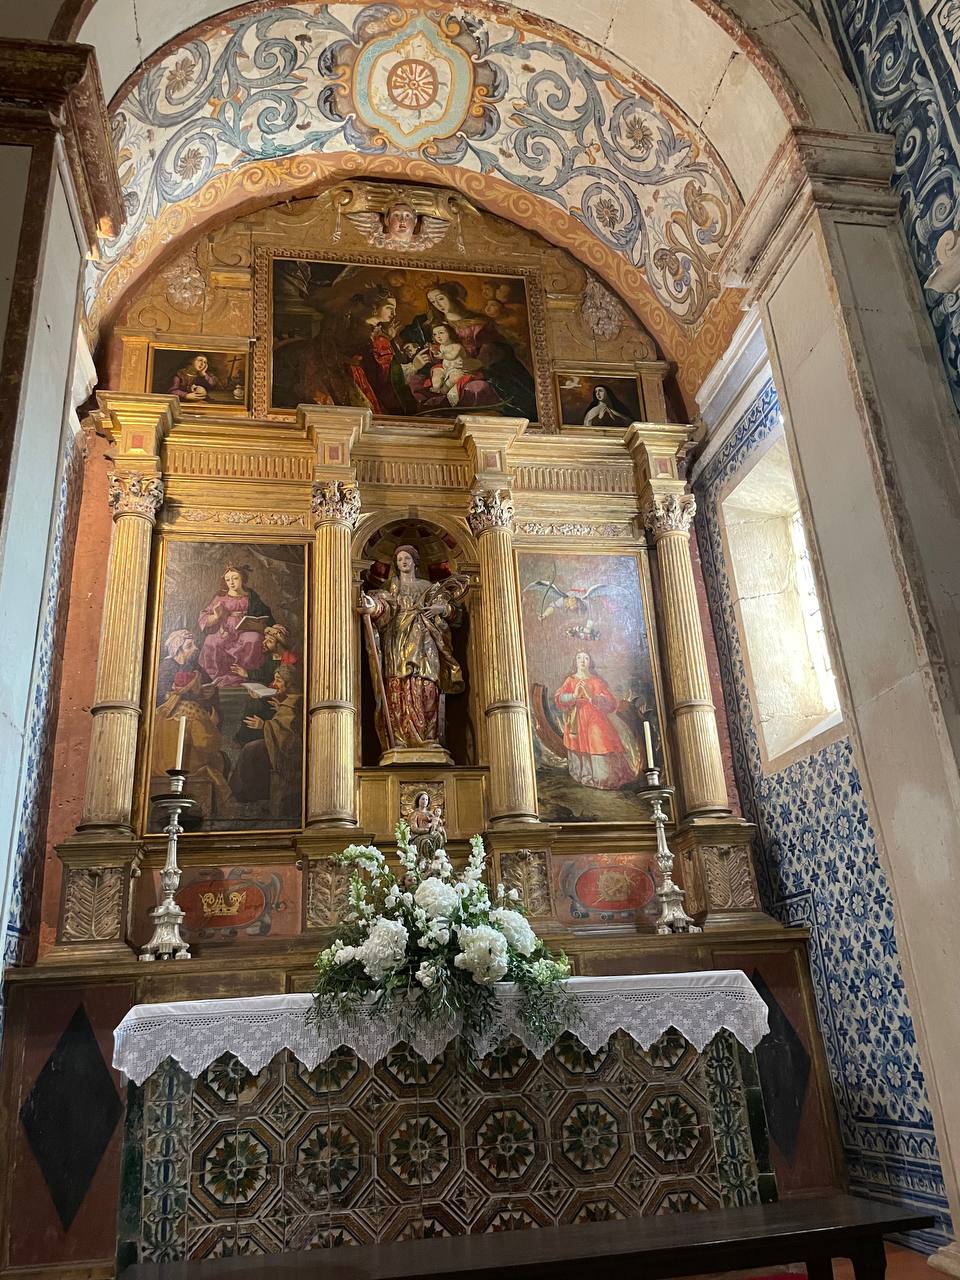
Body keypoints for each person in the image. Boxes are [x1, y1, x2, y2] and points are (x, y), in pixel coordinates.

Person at [358, 544, 465, 751]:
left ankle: (428, 737)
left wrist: (441, 609)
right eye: (399, 559)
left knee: (427, 684)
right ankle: (400, 738)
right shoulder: (392, 586)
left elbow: (454, 612)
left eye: (407, 558)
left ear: (415, 562)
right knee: (398, 684)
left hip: (426, 640)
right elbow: (384, 607)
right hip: (398, 639)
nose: (403, 562)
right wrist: (372, 606)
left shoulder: (427, 586)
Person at [554, 651, 642, 789]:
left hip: (595, 719)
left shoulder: (596, 681)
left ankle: (604, 779)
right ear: (575, 662)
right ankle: (586, 777)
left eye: (586, 658)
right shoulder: (570, 680)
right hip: (576, 721)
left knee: (601, 753)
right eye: (579, 657)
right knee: (579, 749)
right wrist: (574, 695)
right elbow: (559, 699)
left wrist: (592, 697)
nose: (582, 660)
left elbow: (611, 703)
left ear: (590, 662)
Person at [231, 665, 303, 814]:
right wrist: (280, 708)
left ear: (290, 683)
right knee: (252, 748)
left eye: (278, 680)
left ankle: (244, 796)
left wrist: (263, 725)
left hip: (289, 752)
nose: (274, 684)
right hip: (281, 745)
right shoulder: (292, 700)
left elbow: (289, 732)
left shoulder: (296, 701)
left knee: (251, 750)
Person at [152, 629, 223, 776]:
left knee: (203, 735)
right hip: (171, 716)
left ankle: (201, 760)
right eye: (189, 646)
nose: (195, 649)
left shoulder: (194, 667)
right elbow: (160, 694)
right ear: (178, 649)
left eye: (194, 644)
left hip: (194, 711)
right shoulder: (167, 666)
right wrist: (182, 692)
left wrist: (209, 692)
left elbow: (207, 690)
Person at [198, 565, 274, 687]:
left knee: (254, 639)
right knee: (210, 641)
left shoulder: (251, 595)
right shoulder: (221, 596)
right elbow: (205, 616)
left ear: (242, 578)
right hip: (225, 631)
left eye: (235, 578)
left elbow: (264, 612)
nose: (231, 582)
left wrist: (264, 624)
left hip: (245, 630)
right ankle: (217, 677)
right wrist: (216, 616)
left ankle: (245, 674)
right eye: (228, 580)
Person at [230, 623, 299, 685]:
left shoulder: (290, 660)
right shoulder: (270, 656)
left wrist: (246, 674)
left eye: (270, 641)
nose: (264, 642)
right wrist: (246, 673)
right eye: (265, 639)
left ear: (279, 645)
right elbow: (264, 674)